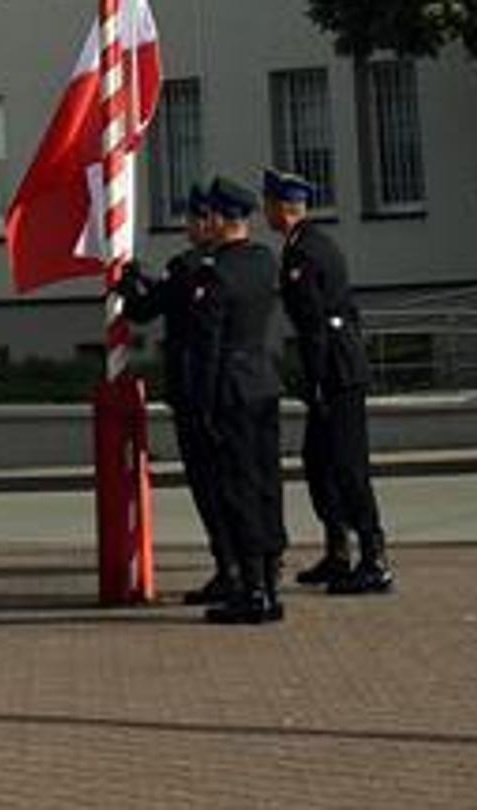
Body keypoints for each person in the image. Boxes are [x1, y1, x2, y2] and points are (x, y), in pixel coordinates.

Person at [263, 168, 394, 596]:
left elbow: (315, 324)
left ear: (284, 208)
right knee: (319, 462)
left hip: (336, 371)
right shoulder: (306, 244)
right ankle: (338, 550)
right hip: (332, 366)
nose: (264, 211)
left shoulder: (305, 253)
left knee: (348, 466)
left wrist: (316, 380)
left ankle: (374, 558)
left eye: (269, 204)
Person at [115, 185, 236, 605]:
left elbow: (144, 310)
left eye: (192, 218)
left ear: (207, 221)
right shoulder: (237, 264)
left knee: (208, 484)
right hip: (232, 392)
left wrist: (128, 283)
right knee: (237, 483)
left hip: (194, 392)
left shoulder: (186, 267)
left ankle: (229, 568)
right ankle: (249, 564)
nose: (187, 226)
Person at [194, 176, 290, 625]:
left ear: (218, 219)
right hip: (264, 382)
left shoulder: (215, 273)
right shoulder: (263, 261)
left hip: (230, 389)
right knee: (268, 483)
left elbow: (209, 346)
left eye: (209, 216)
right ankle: (269, 582)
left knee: (238, 490)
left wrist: (205, 404)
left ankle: (252, 591)